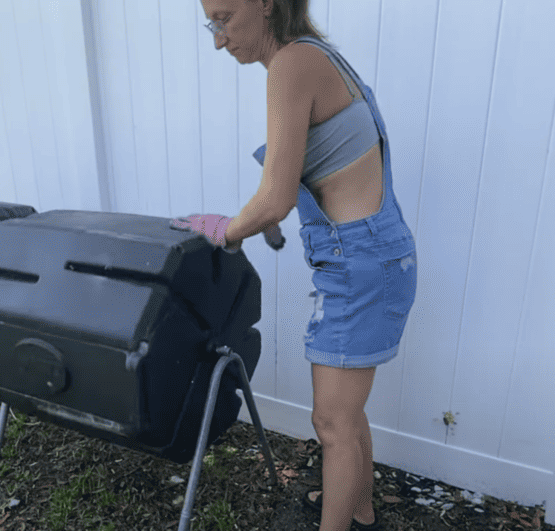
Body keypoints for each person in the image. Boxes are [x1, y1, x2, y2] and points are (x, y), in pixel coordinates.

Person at [169, 1, 417, 530]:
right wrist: (270, 212)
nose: (217, 38)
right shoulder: (320, 58)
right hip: (370, 256)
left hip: (359, 264)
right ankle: (362, 510)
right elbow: (325, 172)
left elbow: (275, 197)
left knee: (331, 421)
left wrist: (226, 230)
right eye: (209, 22)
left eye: (223, 16)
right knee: (345, 414)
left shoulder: (292, 65)